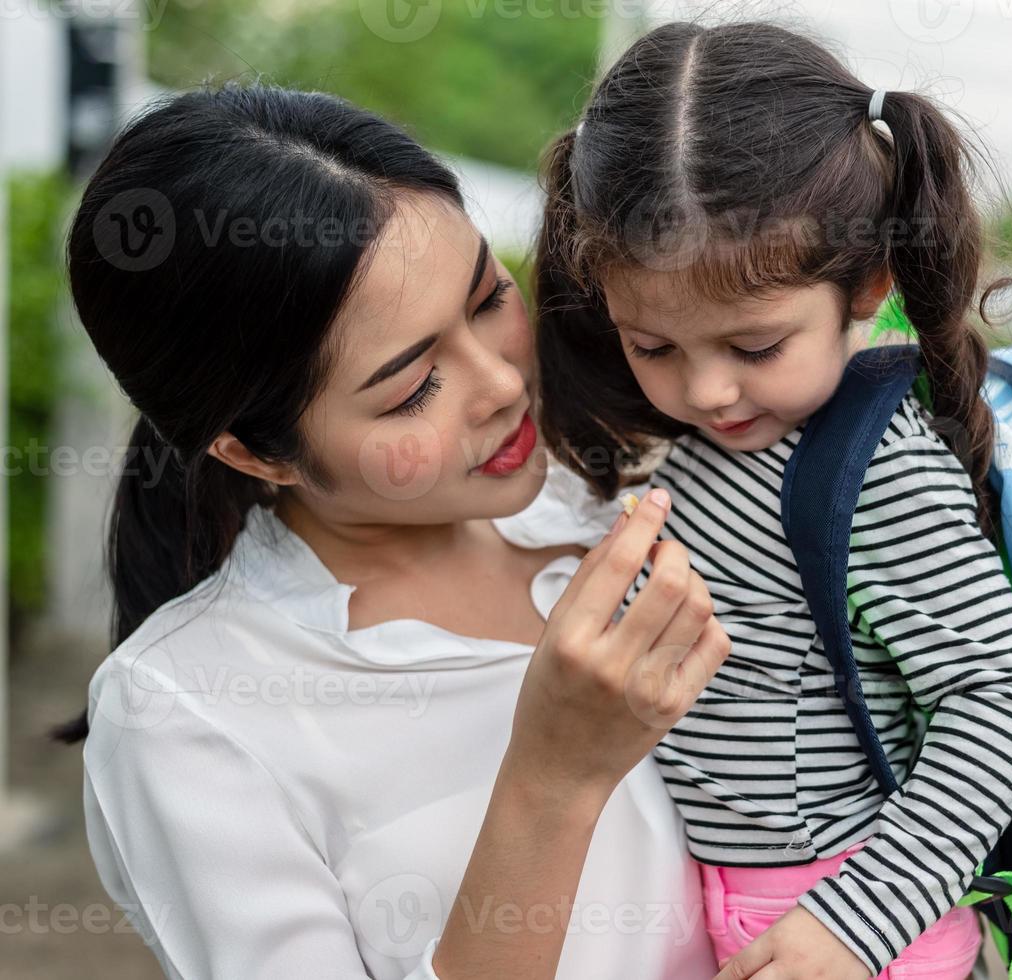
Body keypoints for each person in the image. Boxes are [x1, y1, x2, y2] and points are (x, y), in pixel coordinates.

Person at [55, 84, 729, 980]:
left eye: (489, 296)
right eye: (412, 389)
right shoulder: (186, 715)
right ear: (257, 455)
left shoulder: (619, 507)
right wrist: (552, 780)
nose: (498, 382)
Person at [534, 21, 1012, 980]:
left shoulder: (877, 470)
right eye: (652, 345)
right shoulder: (708, 446)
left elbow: (1004, 698)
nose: (706, 392)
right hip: (735, 913)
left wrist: (856, 925)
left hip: (855, 930)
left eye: (755, 346)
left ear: (868, 283)